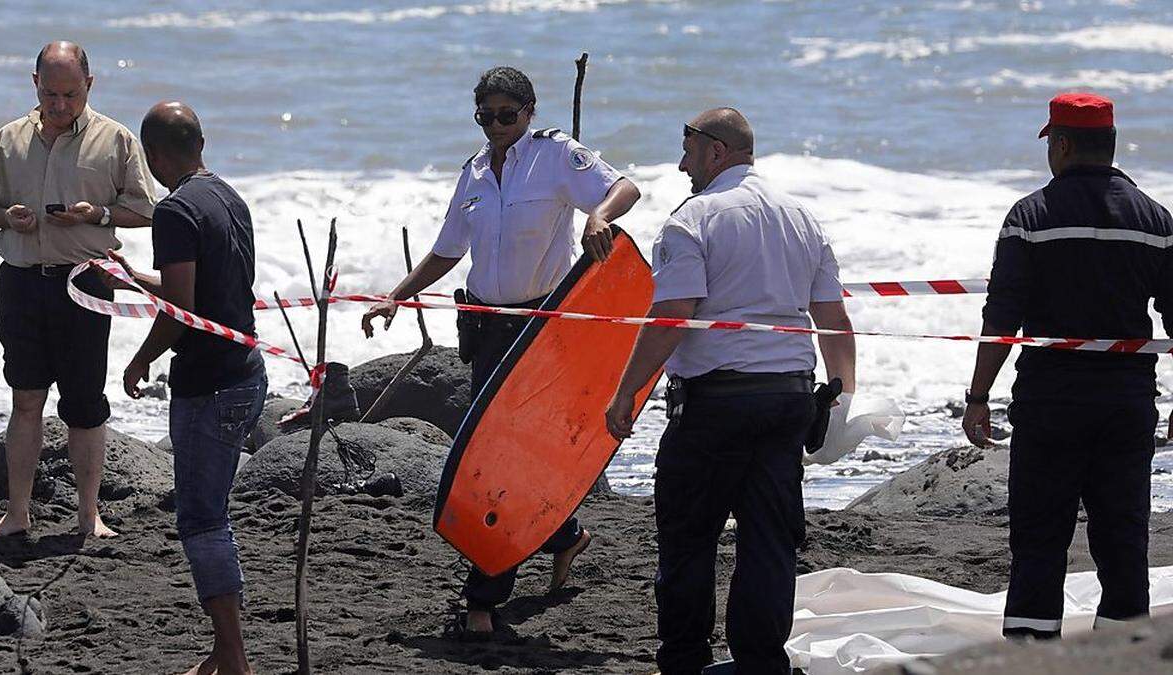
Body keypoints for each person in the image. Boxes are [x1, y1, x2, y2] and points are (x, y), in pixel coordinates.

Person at [361, 65, 641, 636]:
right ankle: (566, 535)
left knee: (499, 463)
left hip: (540, 334)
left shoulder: (555, 155)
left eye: (506, 115)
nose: (495, 126)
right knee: (509, 453)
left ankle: (484, 599)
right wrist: (395, 297)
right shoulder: (472, 174)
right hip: (485, 330)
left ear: (529, 113)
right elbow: (446, 251)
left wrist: (598, 215)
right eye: (485, 116)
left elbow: (625, 188)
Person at [605, 108, 856, 674]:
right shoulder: (802, 218)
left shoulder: (692, 218)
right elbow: (834, 318)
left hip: (716, 404)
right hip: (789, 397)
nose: (681, 162)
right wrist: (842, 395)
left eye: (688, 150)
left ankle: (685, 661)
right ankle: (761, 663)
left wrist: (625, 394)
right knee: (770, 542)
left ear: (717, 151)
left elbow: (672, 315)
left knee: (689, 540)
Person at [963, 93, 1171, 639]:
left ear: (1060, 143)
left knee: (1039, 536)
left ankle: (1032, 655)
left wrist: (978, 397)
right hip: (1127, 404)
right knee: (1124, 534)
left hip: (1050, 403)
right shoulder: (1156, 221)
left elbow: (1001, 317)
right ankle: (1124, 656)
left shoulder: (1030, 217)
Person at [0, 41, 157, 539]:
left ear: (89, 86)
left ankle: (88, 514)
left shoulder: (115, 139)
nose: (59, 105)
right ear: (34, 83)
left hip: (86, 284)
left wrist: (95, 214)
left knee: (84, 402)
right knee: (25, 398)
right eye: (50, 93)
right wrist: (4, 216)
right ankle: (16, 513)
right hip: (22, 283)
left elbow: (145, 210)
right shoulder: (6, 141)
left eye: (69, 95)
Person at [107, 101, 265, 675]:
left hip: (211, 385)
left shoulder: (173, 210)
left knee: (202, 519)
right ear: (201, 142)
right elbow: (198, 285)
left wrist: (138, 360)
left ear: (151, 155)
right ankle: (225, 652)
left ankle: (232, 655)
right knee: (213, 512)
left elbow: (180, 308)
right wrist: (126, 274)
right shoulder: (227, 195)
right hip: (246, 370)